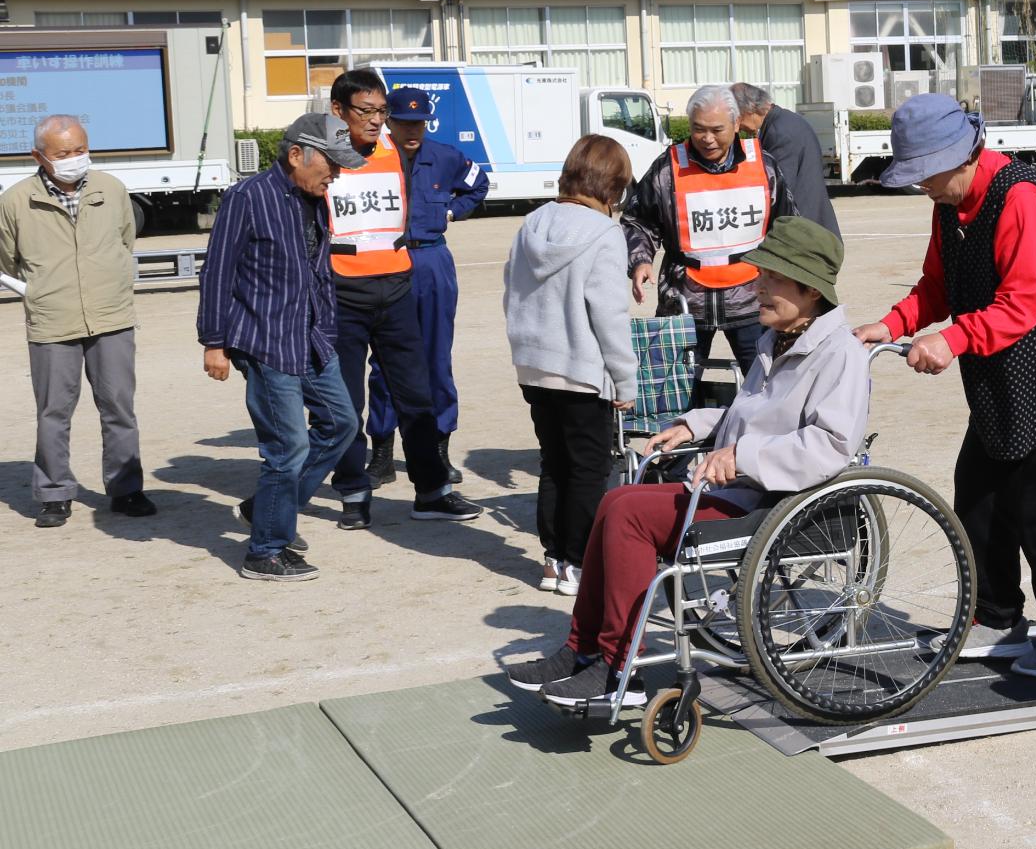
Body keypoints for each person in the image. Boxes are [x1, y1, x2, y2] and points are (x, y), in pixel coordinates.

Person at [505, 215, 867, 707]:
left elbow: (830, 445)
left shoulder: (840, 354)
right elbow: (750, 414)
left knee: (629, 515)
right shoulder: (777, 340)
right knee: (615, 501)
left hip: (776, 504)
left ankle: (617, 666)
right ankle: (583, 648)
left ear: (810, 290)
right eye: (761, 275)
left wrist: (741, 455)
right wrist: (694, 425)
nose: (758, 287)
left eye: (773, 278)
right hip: (740, 488)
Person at [854, 95, 1036, 680]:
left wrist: (952, 340)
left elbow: (1020, 305)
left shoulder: (1021, 196)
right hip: (1003, 382)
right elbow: (937, 285)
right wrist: (891, 325)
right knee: (978, 498)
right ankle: (998, 616)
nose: (921, 186)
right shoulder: (950, 204)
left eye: (925, 173)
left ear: (960, 156)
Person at [198, 114, 366, 581]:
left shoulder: (315, 198)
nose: (336, 175)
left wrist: (327, 329)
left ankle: (266, 510)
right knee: (287, 446)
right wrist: (214, 342)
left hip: (310, 337)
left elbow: (319, 270)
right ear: (297, 155)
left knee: (341, 423)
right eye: (331, 164)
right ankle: (266, 550)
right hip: (265, 339)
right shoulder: (248, 197)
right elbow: (217, 272)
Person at [320, 68, 481, 529]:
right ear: (338, 111)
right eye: (365, 111)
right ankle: (354, 493)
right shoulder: (321, 156)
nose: (375, 120)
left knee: (417, 394)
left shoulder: (400, 151)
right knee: (347, 402)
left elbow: (463, 185)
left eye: (380, 111)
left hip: (397, 289)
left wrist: (449, 212)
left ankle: (431, 490)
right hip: (343, 293)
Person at [0, 114, 151, 528]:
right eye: (64, 153)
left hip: (111, 315)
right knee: (53, 411)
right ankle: (54, 494)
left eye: (80, 149)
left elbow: (124, 240)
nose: (74, 158)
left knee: (119, 406)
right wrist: (41, 289)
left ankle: (126, 489)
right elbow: (7, 259)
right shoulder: (16, 201)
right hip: (52, 319)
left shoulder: (111, 189)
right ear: (39, 156)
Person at [503, 135, 636, 596]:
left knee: (554, 464)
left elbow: (511, 290)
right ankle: (578, 564)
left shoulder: (533, 222)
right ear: (613, 186)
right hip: (580, 369)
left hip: (533, 365)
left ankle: (553, 561)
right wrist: (625, 379)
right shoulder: (605, 234)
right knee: (589, 468)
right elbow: (609, 315)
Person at [360, 87, 488, 488]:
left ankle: (438, 450)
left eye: (419, 123)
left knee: (436, 358)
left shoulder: (446, 157)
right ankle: (382, 453)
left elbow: (478, 184)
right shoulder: (371, 158)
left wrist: (452, 210)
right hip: (386, 262)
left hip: (432, 261)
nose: (412, 130)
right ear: (390, 122)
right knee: (385, 361)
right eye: (404, 123)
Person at [624, 84, 792, 378]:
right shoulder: (668, 169)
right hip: (684, 300)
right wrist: (640, 260)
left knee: (768, 384)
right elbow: (638, 220)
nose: (707, 138)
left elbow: (788, 225)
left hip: (753, 300)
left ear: (737, 124)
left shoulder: (763, 166)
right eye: (698, 129)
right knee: (672, 387)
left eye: (717, 130)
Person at [731, 81, 838, 237]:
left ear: (750, 109)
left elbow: (780, 189)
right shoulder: (786, 120)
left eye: (736, 117)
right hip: (811, 226)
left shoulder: (779, 133)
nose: (737, 126)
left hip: (804, 233)